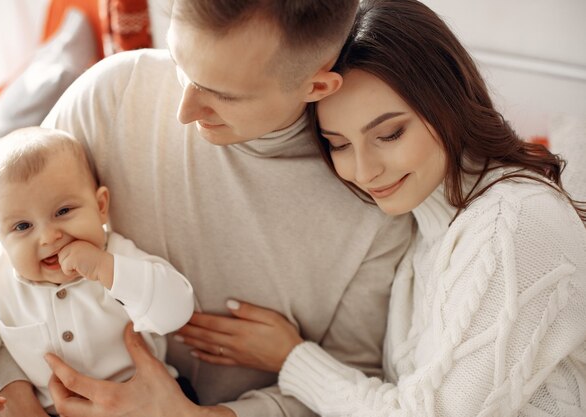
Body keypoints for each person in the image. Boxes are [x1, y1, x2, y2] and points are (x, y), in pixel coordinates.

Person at [0, 1, 413, 416]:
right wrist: (9, 387)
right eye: (180, 63)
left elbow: (344, 386)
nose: (182, 111)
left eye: (223, 94)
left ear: (315, 85)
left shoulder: (372, 204)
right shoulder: (113, 91)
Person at [171, 0, 586, 415]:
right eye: (339, 144)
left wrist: (292, 359)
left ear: (447, 102)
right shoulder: (420, 238)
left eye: (389, 134)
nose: (365, 171)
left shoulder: (513, 222)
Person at [0, 127, 195, 417]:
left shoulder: (116, 255)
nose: (48, 237)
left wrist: (105, 269)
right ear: (0, 237)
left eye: (63, 211)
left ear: (100, 206)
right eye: (22, 227)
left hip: (154, 400)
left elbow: (177, 310)